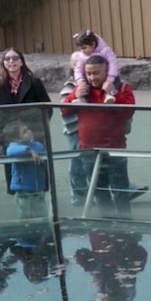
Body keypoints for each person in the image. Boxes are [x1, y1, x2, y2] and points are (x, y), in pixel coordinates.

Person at [62, 55, 136, 218]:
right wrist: (74, 96)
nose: (92, 77)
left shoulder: (122, 88)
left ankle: (126, 223)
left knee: (120, 190)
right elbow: (64, 110)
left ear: (107, 71)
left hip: (115, 149)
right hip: (89, 150)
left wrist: (113, 94)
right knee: (98, 191)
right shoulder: (82, 90)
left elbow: (128, 112)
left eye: (96, 73)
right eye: (88, 74)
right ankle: (107, 225)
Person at [0, 48, 52, 195]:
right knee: (16, 173)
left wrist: (37, 129)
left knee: (37, 171)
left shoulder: (34, 83)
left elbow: (47, 108)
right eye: (7, 59)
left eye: (15, 58)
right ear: (3, 63)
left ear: (21, 61)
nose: (11, 61)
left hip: (33, 135)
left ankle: (40, 201)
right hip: (10, 137)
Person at [1, 120, 48, 219]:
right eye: (24, 132)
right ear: (17, 139)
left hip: (38, 187)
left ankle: (42, 229)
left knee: (41, 213)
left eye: (28, 129)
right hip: (23, 188)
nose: (29, 131)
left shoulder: (37, 145)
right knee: (25, 214)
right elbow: (11, 151)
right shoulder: (14, 146)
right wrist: (29, 151)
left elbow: (42, 154)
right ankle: (26, 230)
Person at [72, 29, 120, 104]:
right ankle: (82, 98)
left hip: (107, 75)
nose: (82, 51)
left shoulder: (105, 51)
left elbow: (113, 63)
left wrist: (110, 79)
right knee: (84, 87)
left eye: (84, 48)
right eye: (81, 49)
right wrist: (80, 81)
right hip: (88, 79)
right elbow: (78, 69)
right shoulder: (82, 56)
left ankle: (109, 95)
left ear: (93, 44)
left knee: (115, 81)